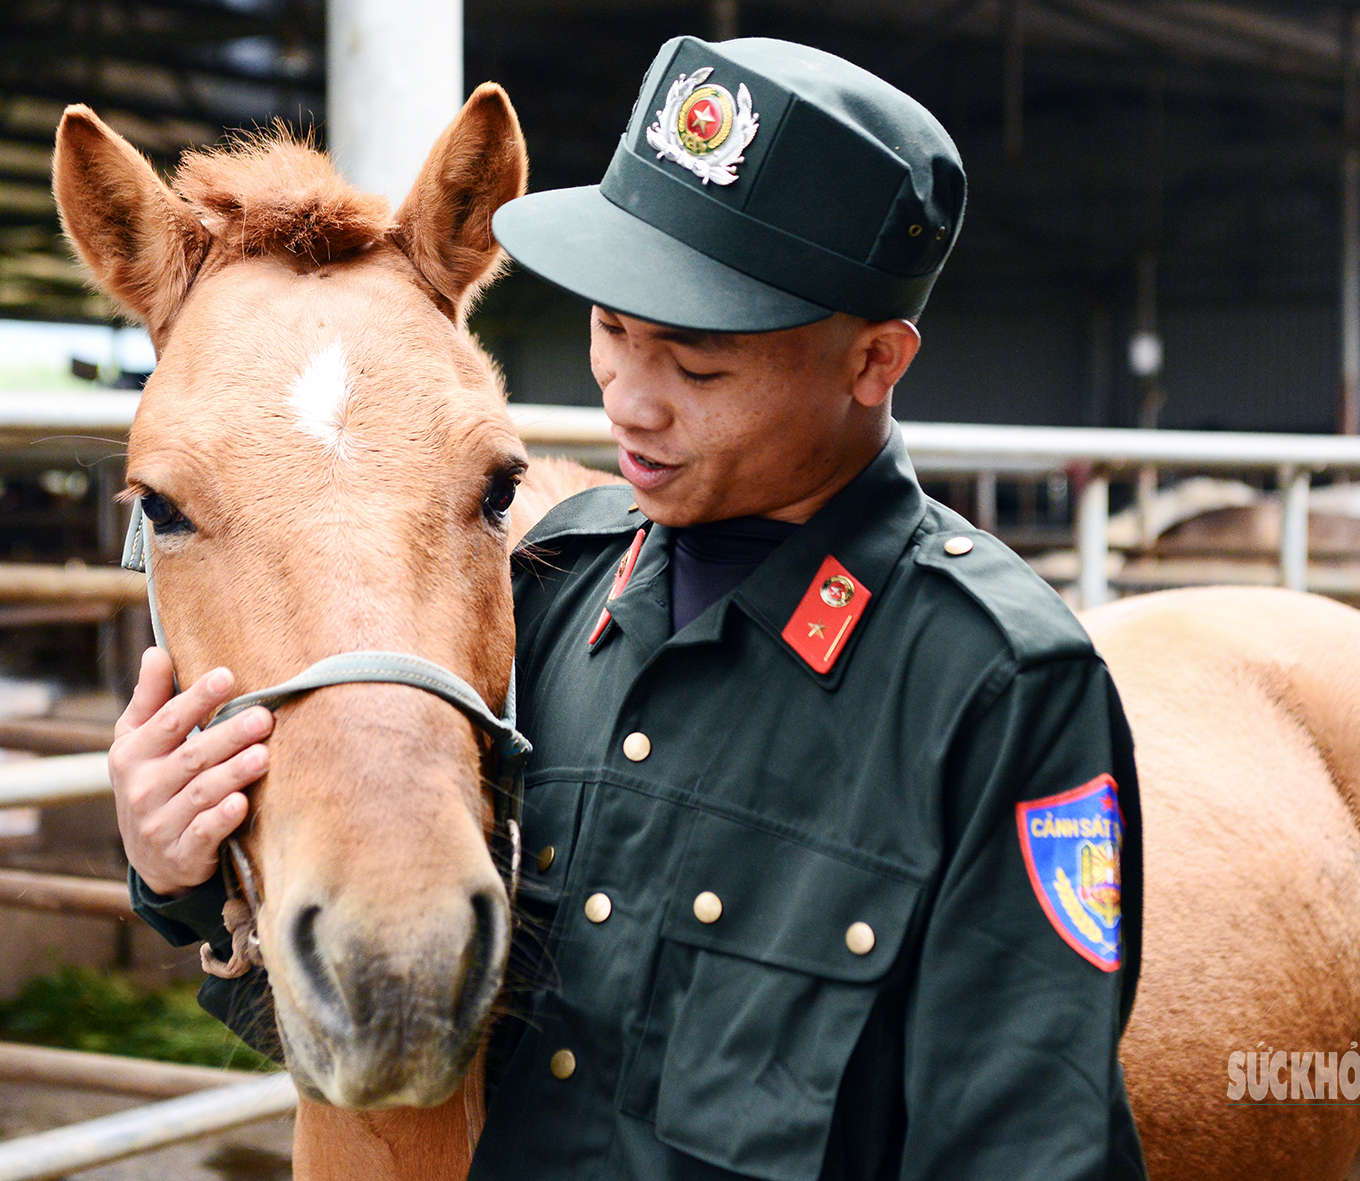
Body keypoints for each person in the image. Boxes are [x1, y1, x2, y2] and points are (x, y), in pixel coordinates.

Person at [115, 35, 1147, 1180]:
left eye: (696, 366)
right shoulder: (553, 591)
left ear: (872, 361)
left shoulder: (993, 682)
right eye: (610, 329)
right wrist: (181, 872)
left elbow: (1022, 1147)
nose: (630, 404)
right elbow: (390, 994)